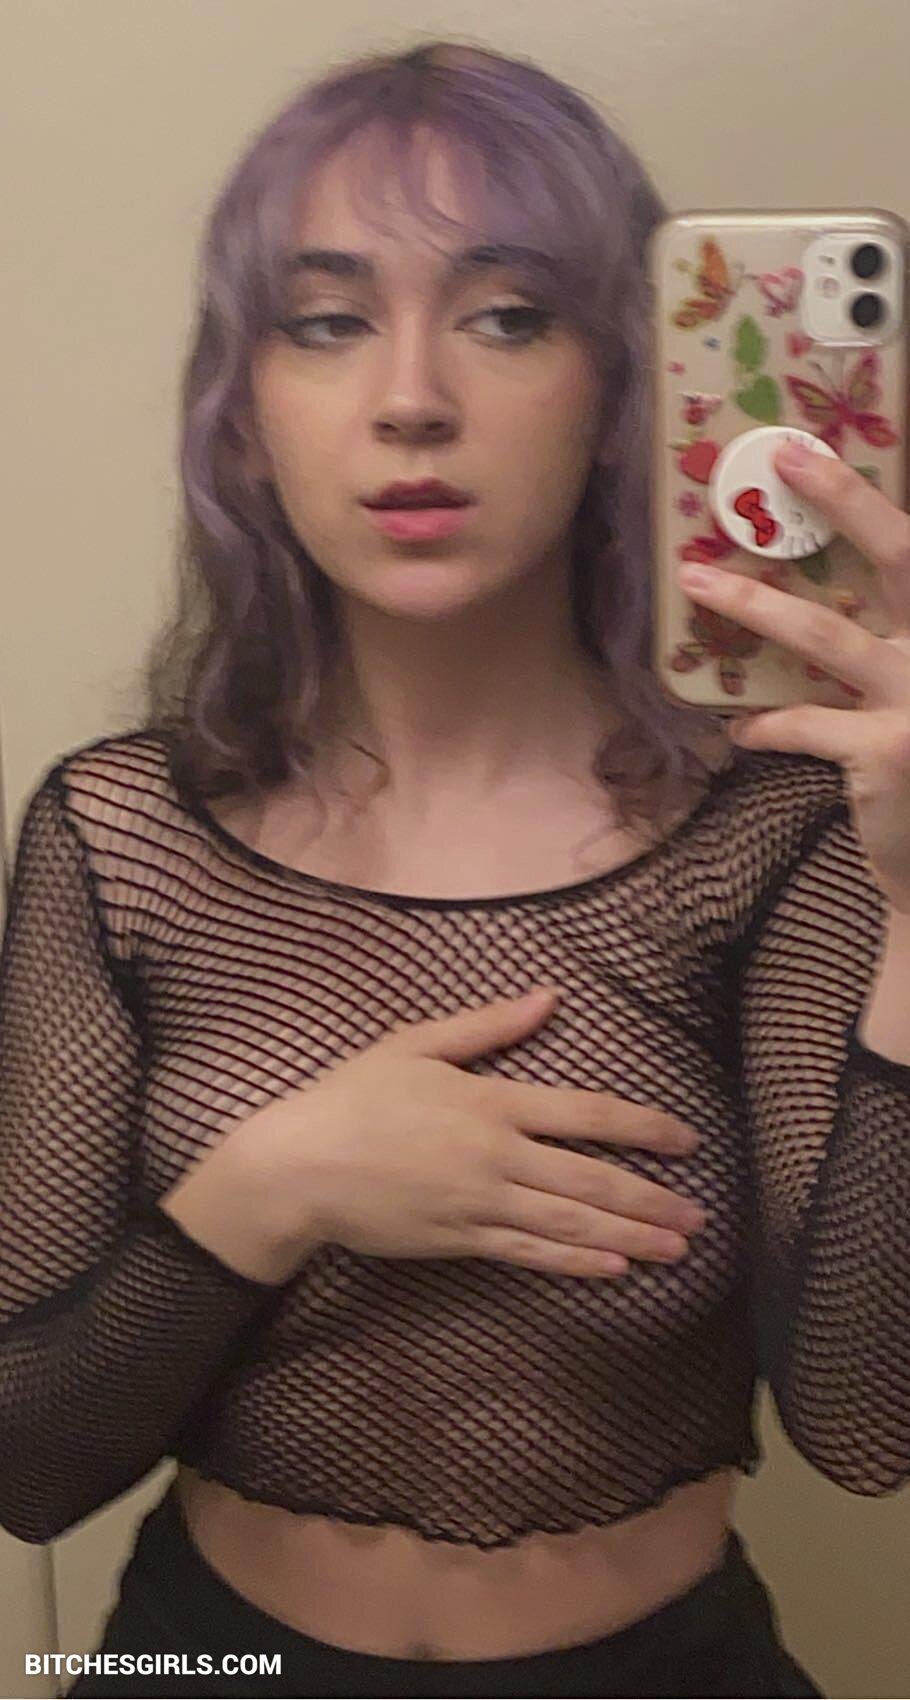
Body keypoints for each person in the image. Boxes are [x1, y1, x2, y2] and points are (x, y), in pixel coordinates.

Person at [1, 37, 908, 1700]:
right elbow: (26, 1467)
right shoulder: (122, 836)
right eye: (325, 319)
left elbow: (867, 1429)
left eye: (505, 316)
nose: (410, 396)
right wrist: (272, 1190)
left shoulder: (778, 827)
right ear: (245, 413)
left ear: (621, 392)